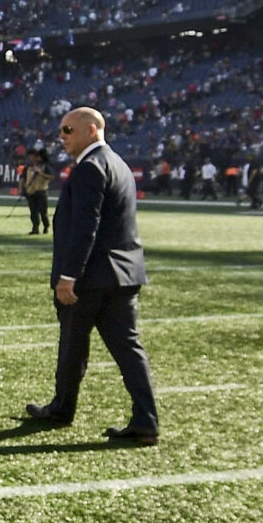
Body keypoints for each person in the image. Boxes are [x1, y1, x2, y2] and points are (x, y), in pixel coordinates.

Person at [25, 106, 159, 445]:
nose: (62, 137)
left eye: (68, 129)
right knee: (129, 348)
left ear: (92, 130)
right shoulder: (119, 164)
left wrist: (69, 275)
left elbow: (86, 226)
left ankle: (62, 408)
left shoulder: (90, 166)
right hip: (123, 273)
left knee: (73, 345)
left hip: (91, 277)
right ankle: (146, 419)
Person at [21, 154, 51, 235]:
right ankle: (35, 228)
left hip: (41, 191)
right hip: (30, 191)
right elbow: (23, 178)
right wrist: (22, 189)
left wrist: (41, 173)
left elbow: (51, 177)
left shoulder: (45, 167)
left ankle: (46, 226)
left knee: (43, 211)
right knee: (33, 212)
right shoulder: (28, 168)